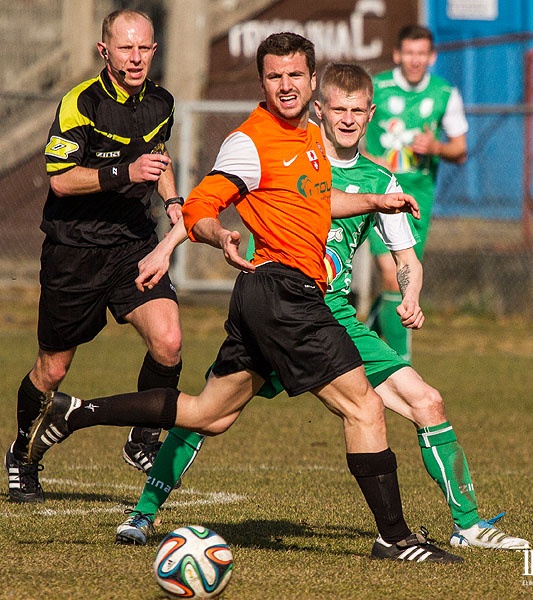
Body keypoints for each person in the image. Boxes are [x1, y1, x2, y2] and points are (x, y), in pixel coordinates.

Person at [26, 32, 463, 563]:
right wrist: (200, 238)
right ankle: (395, 538)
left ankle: (80, 411)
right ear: (262, 82)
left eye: (295, 75)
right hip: (285, 292)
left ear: (311, 81)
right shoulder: (251, 140)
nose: (286, 85)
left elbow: (314, 202)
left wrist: (375, 198)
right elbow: (203, 205)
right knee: (365, 406)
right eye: (275, 76)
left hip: (268, 295)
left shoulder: (305, 137)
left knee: (210, 413)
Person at [114, 63, 529, 553]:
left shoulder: (379, 178)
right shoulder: (295, 153)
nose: (348, 119)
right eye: (339, 109)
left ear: (371, 114)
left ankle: (469, 525)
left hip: (336, 318)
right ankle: (142, 514)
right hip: (281, 309)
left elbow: (406, 257)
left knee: (427, 401)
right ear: (319, 109)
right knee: (209, 415)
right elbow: (212, 198)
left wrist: (411, 293)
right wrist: (168, 247)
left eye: (358, 110)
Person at [6, 9, 188, 503]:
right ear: (103, 51)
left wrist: (172, 200)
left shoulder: (161, 102)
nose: (135, 58)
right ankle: (23, 454)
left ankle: (142, 437)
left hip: (133, 243)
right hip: (76, 250)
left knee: (169, 342)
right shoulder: (80, 103)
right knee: (53, 370)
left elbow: (159, 155)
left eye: (144, 48)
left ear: (154, 50)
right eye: (125, 48)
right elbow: (61, 180)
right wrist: (125, 173)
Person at [362, 24, 468, 362]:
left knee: (404, 280)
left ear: (432, 57)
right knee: (392, 275)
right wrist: (369, 159)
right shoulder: (376, 87)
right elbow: (343, 136)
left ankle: (362, 334)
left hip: (418, 198)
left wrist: (436, 146)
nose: (415, 60)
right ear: (397, 55)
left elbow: (460, 150)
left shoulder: (444, 93)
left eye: (421, 54)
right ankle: (400, 361)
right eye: (409, 53)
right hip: (380, 193)